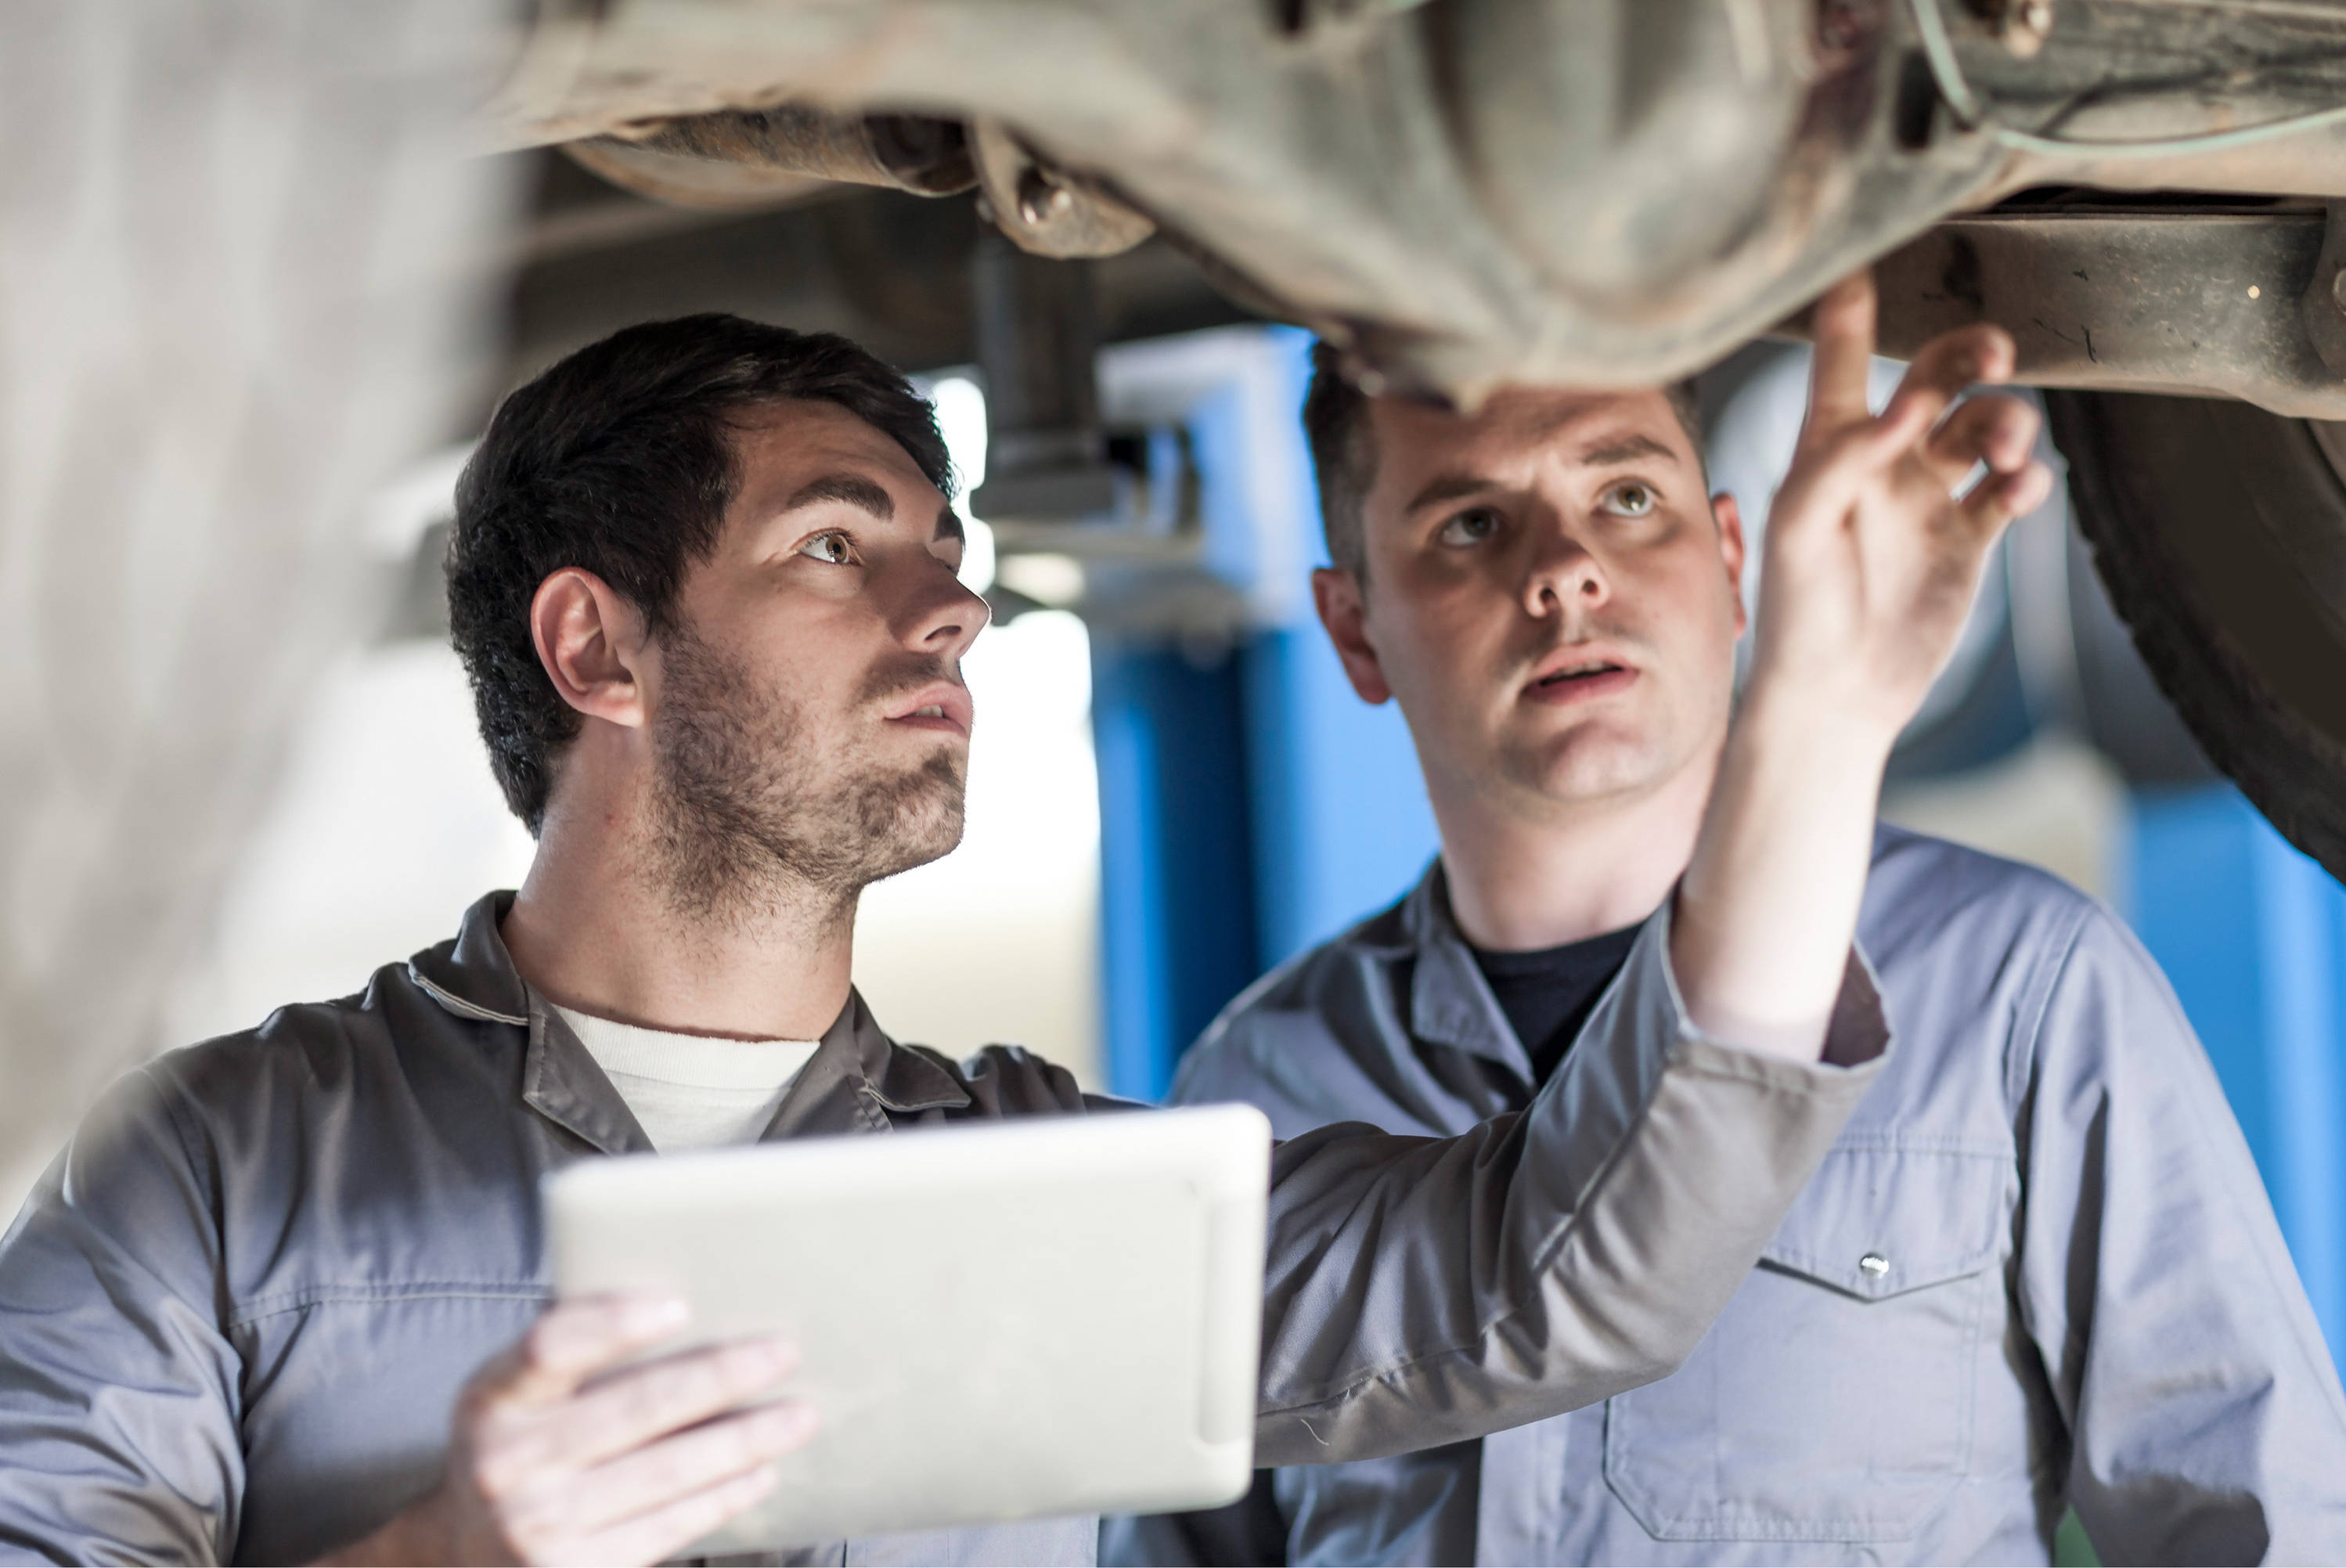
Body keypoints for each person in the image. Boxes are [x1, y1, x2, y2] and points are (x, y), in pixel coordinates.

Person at [0, 276, 2014, 1566]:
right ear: (597, 645)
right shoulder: (220, 1168)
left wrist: (1820, 718)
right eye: (834, 544)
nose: (945, 604)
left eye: (945, 553)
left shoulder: (1051, 1191)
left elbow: (1569, 1282)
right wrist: (460, 1551)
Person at [1108, 275, 2346, 1567]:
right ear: (1355, 630)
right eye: (1472, 524)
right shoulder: (1257, 1082)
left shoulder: (2015, 989)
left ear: (1733, 560)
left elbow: (2265, 1531)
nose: (1568, 571)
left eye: (1626, 497)